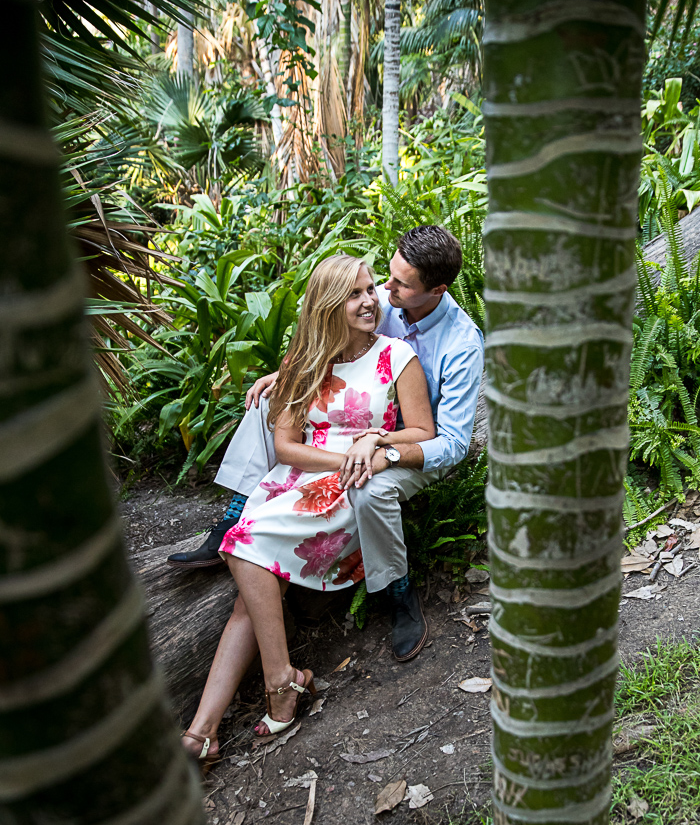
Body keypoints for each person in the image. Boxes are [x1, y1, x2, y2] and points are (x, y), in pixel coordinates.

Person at [168, 225, 484, 661]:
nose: (384, 291)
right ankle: (233, 517)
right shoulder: (390, 301)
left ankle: (398, 591)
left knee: (371, 487)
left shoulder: (462, 342)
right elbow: (346, 340)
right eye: (385, 277)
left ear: (437, 290)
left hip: (417, 444)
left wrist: (384, 448)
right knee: (266, 403)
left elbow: (450, 443)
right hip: (363, 424)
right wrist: (293, 374)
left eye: (398, 284)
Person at [182, 254, 436, 765]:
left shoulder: (395, 357)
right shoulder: (304, 362)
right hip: (297, 481)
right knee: (251, 574)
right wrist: (345, 452)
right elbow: (286, 446)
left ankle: (269, 695)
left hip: (350, 488)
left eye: (370, 290)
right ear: (327, 304)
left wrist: (374, 444)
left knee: (245, 550)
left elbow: (423, 433)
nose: (369, 301)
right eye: (354, 294)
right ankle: (210, 727)